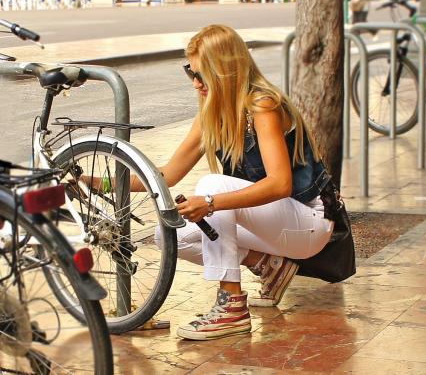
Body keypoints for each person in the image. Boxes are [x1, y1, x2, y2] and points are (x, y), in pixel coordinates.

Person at [150, 24, 354, 341]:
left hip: (311, 220)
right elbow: (167, 174)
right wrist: (101, 181)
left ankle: (230, 306)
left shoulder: (263, 106)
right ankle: (268, 265)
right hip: (274, 221)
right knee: (169, 236)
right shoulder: (212, 112)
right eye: (189, 71)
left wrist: (211, 203)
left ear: (224, 72)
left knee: (212, 187)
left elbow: (280, 184)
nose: (194, 83)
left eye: (201, 74)